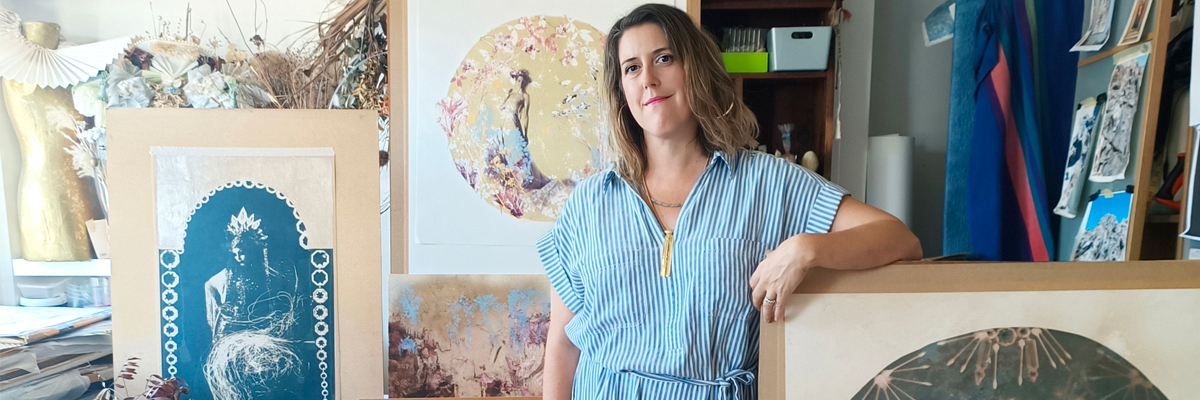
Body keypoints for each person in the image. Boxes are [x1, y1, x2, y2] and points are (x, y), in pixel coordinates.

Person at [537, 4, 922, 399]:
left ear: (696, 69)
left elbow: (901, 239)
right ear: (621, 90)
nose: (648, 80)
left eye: (664, 58)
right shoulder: (588, 203)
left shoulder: (768, 182)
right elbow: (564, 345)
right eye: (631, 68)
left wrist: (807, 249)